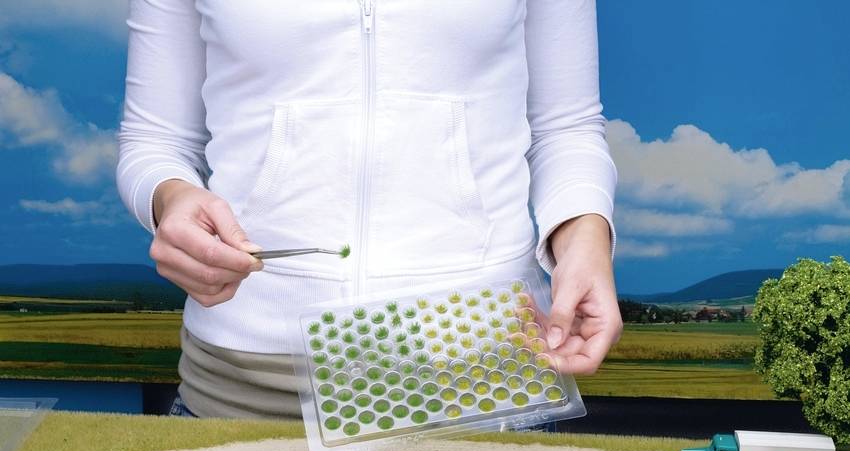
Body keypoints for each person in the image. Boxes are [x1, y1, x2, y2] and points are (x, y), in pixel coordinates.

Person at [117, 1, 621, 420]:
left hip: (481, 373)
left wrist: (585, 238)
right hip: (243, 383)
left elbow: (566, 128)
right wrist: (171, 199)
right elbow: (155, 140)